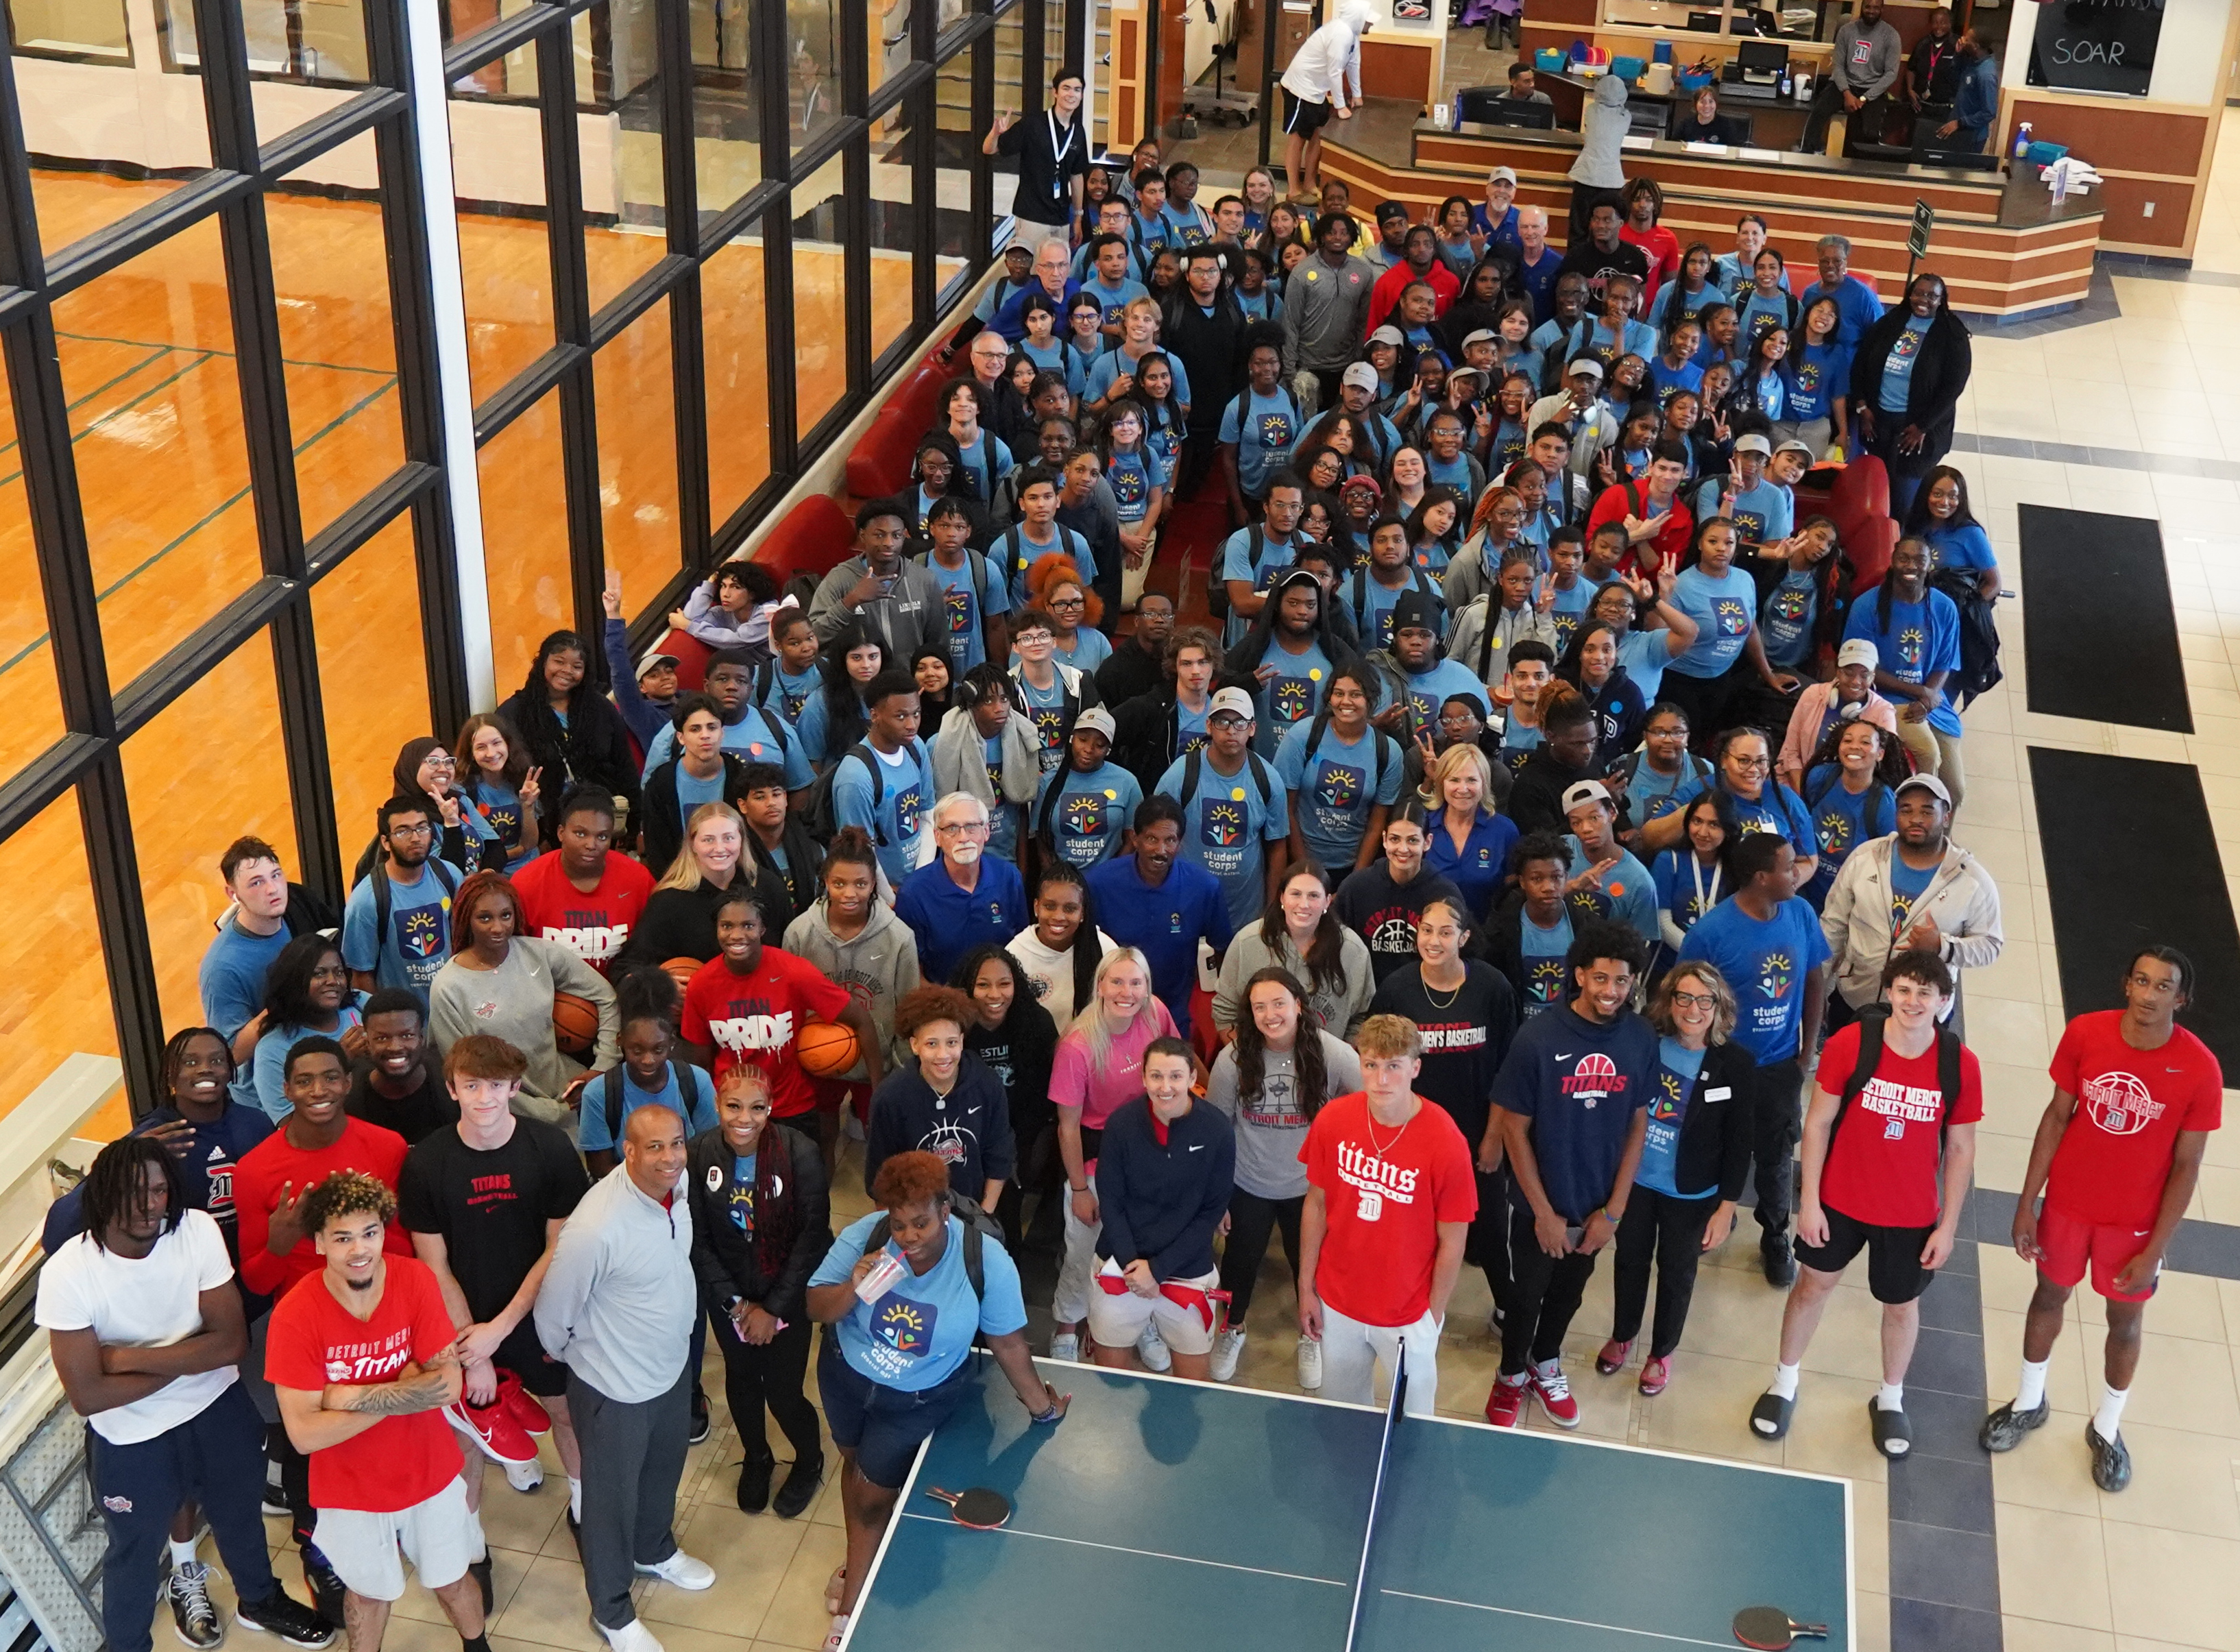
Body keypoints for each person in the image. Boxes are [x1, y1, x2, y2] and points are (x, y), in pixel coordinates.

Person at [38, 1136, 334, 1652]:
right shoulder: (68, 1272)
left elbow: (231, 1343)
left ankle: (258, 1599)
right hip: (130, 1436)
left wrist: (126, 1358)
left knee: (240, 1514)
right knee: (132, 1550)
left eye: (158, 1190)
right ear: (103, 1195)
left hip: (216, 1410)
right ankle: (127, 1646)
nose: (150, 1205)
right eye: (134, 1192)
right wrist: (190, 1355)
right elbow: (88, 1395)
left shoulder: (194, 1229)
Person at [806, 1152, 1065, 1651]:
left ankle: (848, 1616)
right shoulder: (867, 1236)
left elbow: (1008, 1343)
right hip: (845, 1378)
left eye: (921, 1223)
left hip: (916, 1400)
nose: (909, 1237)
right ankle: (862, 1555)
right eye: (898, 1224)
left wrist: (1042, 1408)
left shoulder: (984, 1259)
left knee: (870, 1497)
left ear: (945, 1209)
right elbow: (817, 1305)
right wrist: (853, 1288)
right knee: (857, 1471)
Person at [1984, 947, 2221, 1492]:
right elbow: (2055, 1117)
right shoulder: (2086, 1034)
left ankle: (2108, 1430)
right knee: (2048, 1297)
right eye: (2141, 980)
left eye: (2163, 987)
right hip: (2067, 1207)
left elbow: (2187, 1167)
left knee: (2125, 1324)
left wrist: (2156, 1248)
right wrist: (2027, 1202)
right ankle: (2028, 1402)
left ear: (2181, 999)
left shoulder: (2199, 1067)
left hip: (2134, 1225)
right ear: (2126, 985)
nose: (2149, 994)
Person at [1749, 951, 1980, 1459]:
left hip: (1912, 1213)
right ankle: (1784, 1381)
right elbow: (1817, 1124)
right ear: (1889, 992)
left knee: (1901, 1306)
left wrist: (1948, 1227)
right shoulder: (1853, 1043)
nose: (1912, 1001)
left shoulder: (1958, 1064)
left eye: (1925, 993)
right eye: (1903, 990)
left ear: (1944, 1002)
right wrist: (1808, 1201)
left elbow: (1961, 1149)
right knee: (1812, 1287)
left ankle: (1891, 1397)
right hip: (1839, 1201)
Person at [265, 1170, 486, 1652]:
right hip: (349, 1489)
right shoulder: (295, 1315)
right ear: (320, 1243)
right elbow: (304, 1435)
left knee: (452, 1579)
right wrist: (401, 1387)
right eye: (343, 1238)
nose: (360, 1249)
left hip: (430, 1470)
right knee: (367, 1595)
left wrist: (345, 1396)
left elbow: (448, 1385)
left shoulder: (413, 1278)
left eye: (370, 1233)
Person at [400, 1034, 589, 1528]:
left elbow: (558, 1249)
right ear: (453, 1089)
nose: (485, 1098)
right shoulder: (426, 1163)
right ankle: (469, 1543)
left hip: (537, 1316)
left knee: (566, 1412)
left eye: (496, 1086)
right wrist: (473, 1350)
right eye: (473, 1086)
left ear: (515, 1088)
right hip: (462, 1322)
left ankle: (585, 1507)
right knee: (468, 1432)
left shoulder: (550, 1148)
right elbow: (434, 1266)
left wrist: (499, 1330)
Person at [1486, 921, 1657, 1429]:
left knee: (1570, 1291)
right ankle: (1511, 1374)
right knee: (1525, 1296)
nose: (1611, 992)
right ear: (1579, 975)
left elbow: (1637, 1123)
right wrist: (1542, 1213)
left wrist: (1614, 1211)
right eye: (1600, 979)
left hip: (1597, 1206)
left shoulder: (1641, 1036)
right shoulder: (1538, 1037)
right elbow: (1515, 1130)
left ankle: (1546, 1363)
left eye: (1622, 981)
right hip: (1541, 1205)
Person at [1296, 1014, 1475, 1411]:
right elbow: (1316, 1204)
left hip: (1407, 1312)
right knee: (1344, 1414)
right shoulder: (1333, 1120)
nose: (1380, 1079)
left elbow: (1454, 1238)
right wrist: (1306, 1288)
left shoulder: (1446, 1141)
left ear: (1415, 1067)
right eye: (1371, 1065)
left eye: (1393, 1066)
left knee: (1413, 1422)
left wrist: (1432, 1316)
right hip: (1338, 1302)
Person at [1678, 830, 1830, 1285]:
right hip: (1725, 1068)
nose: (1797, 874)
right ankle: (1713, 1219)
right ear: (1761, 877)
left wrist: (1806, 1053)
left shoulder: (1800, 914)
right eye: (1788, 867)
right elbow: (1686, 1003)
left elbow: (1815, 980)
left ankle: (1776, 1233)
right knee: (1718, 1145)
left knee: (1777, 1155)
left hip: (1781, 1066)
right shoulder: (1710, 933)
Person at [1596, 961, 1753, 1396]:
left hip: (1692, 1191)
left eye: (1705, 1001)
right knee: (1629, 1261)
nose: (1694, 1009)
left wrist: (1726, 1208)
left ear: (1719, 1008)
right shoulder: (1646, 1042)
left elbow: (1741, 1143)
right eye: (1684, 998)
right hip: (1638, 1181)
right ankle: (1624, 1334)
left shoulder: (1735, 1064)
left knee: (1677, 1271)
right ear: (1669, 1001)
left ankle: (1661, 1352)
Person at [683, 1066, 831, 1516]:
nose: (744, 1118)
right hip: (730, 1299)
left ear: (771, 1108)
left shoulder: (799, 1152)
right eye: (733, 1106)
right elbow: (697, 1238)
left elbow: (811, 1237)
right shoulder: (699, 1153)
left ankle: (809, 1460)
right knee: (742, 1380)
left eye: (757, 1107)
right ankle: (757, 1457)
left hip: (785, 1293)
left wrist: (773, 1309)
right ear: (717, 1105)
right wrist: (737, 1304)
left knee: (784, 1391)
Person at [1204, 967, 1361, 1383]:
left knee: (1308, 1268)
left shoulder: (1335, 1053)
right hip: (1249, 1183)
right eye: (1259, 1007)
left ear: (1298, 1005)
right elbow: (1219, 1131)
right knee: (1239, 1263)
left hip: (1310, 1189)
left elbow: (1365, 1110)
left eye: (1278, 1003)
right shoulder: (1232, 1059)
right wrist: (1218, 1196)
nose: (1270, 1014)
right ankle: (1232, 1328)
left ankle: (1310, 1335)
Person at [1045, 947, 1181, 1363]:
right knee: (1085, 1252)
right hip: (1097, 1162)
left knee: (1144, 1246)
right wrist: (1082, 1190)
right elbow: (1068, 1126)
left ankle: (1140, 1322)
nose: (1127, 992)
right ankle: (1067, 1323)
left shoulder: (1156, 1014)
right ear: (1100, 985)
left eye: (1136, 982)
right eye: (1117, 982)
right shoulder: (1077, 1045)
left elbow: (1177, 1073)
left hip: (1150, 1156)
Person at [1084, 1036, 1235, 1378]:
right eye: (1156, 1076)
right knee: (1107, 1384)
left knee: (1193, 1386)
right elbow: (1111, 1199)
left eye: (1175, 1077)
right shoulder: (1121, 1124)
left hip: (1187, 1267)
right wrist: (1134, 1268)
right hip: (1122, 1266)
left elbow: (1211, 1211)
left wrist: (1158, 1269)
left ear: (1193, 1078)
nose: (1165, 1087)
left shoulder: (1218, 1130)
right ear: (1143, 1078)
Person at [681, 883, 884, 1131]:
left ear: (762, 928)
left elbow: (861, 1019)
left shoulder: (793, 972)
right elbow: (700, 1062)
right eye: (727, 926)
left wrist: (878, 1093)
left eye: (748, 925)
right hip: (734, 1108)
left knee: (805, 1168)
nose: (736, 935)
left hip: (792, 1106)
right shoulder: (702, 984)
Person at [427, 869, 620, 1119]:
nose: (498, 927)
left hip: (567, 1090)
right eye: (484, 918)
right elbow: (467, 1075)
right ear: (466, 920)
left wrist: (603, 1067)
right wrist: (549, 1113)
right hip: (505, 1112)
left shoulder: (539, 953)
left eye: (506, 915)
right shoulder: (448, 988)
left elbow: (606, 997)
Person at [236, 1038, 413, 1304]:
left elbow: (406, 1253)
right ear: (287, 1090)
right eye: (304, 1081)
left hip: (383, 1302)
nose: (318, 1091)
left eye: (330, 1078)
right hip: (305, 1315)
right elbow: (258, 1284)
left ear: (347, 1084)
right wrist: (279, 1247)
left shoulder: (388, 1147)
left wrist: (358, 1222)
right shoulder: (253, 1170)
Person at [1820, 772, 2003, 1020]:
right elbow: (1833, 925)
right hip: (1855, 999)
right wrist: (1818, 985)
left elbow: (1990, 946)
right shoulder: (1865, 858)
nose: (1915, 819)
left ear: (1946, 817)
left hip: (1922, 1013)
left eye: (1927, 812)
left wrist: (1943, 946)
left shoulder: (1972, 881)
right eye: (1906, 810)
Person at [1083, 797, 1233, 1038]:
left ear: (1180, 842)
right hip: (1114, 1011)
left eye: (1170, 840)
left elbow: (1222, 950)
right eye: (1152, 839)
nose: (1161, 850)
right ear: (1135, 838)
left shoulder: (1204, 887)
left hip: (1174, 1014)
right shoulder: (1099, 883)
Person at [951, 944, 1064, 1246]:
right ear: (968, 987)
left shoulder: (1037, 1023)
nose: (995, 995)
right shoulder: (955, 1027)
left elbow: (1044, 1093)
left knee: (1007, 1213)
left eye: (1005, 984)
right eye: (983, 985)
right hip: (964, 1131)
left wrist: (1014, 1145)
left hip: (1018, 1130)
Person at [864, 985, 1016, 1208]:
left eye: (951, 1042)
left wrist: (984, 1217)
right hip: (914, 1213)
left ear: (962, 1041)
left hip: (974, 1208)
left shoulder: (988, 1084)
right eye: (931, 1044)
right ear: (915, 1045)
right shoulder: (890, 1098)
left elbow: (1000, 1154)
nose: (943, 1055)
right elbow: (881, 1174)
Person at [1845, 537, 1967, 812]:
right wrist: (1919, 693)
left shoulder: (1944, 607)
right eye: (1904, 559)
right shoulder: (1867, 605)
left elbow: (1944, 662)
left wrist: (1927, 698)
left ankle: (1940, 845)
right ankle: (1920, 822)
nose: (1911, 566)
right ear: (1893, 561)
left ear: (1929, 565)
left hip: (1930, 701)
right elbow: (1862, 668)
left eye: (1919, 560)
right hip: (1884, 698)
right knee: (1929, 752)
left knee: (1956, 791)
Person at [1154, 685, 1289, 927]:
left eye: (1240, 723)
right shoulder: (1180, 774)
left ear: (1252, 728)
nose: (1231, 731)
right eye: (1222, 722)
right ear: (1208, 726)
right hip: (1185, 909)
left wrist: (1270, 911)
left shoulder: (1268, 779)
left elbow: (1277, 846)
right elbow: (1155, 836)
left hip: (1247, 915)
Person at [495, 631, 642, 847]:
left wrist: (635, 821)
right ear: (543, 662)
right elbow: (506, 774)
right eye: (559, 661)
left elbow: (624, 765)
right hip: (545, 826)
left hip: (601, 819)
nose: (567, 671)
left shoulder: (601, 708)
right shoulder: (514, 712)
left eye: (577, 666)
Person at [202, 837, 341, 1055]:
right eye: (256, 883)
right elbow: (231, 1054)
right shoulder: (222, 968)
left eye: (276, 875)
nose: (273, 889)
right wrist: (284, 1004)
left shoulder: (300, 904)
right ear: (233, 894)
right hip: (270, 1081)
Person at [618, 801, 795, 970]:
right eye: (708, 840)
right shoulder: (668, 901)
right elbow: (631, 965)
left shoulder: (769, 887)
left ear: (742, 841)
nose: (719, 848)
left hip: (759, 995)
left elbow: (790, 954)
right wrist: (664, 983)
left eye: (728, 838)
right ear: (693, 844)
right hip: (697, 997)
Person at [1210, 860, 1375, 1040]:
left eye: (1313, 896)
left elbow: (1362, 1018)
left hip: (1329, 1063)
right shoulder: (1246, 943)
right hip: (1259, 1061)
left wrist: (1340, 1060)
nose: (1304, 904)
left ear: (1328, 901)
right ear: (1282, 898)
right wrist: (1248, 1060)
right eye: (1296, 894)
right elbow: (1225, 1012)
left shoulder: (1353, 949)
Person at [1851, 273, 1969, 518]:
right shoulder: (1891, 322)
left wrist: (1923, 427)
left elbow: (1953, 387)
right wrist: (1862, 407)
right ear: (1909, 294)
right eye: (1918, 293)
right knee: (1879, 488)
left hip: (1918, 431)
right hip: (1879, 422)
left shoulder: (1952, 334)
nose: (1923, 300)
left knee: (1904, 499)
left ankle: (1904, 543)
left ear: (1941, 300)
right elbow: (1861, 363)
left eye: (1932, 296)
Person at [512, 785, 657, 978]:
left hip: (622, 991)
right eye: (580, 834)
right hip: (550, 995)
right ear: (561, 833)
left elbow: (655, 947)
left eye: (602, 836)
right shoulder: (526, 882)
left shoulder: (638, 879)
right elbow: (513, 957)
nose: (591, 845)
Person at [1642, 727, 1817, 884]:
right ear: (1724, 760)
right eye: (1744, 760)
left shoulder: (1785, 799)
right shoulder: (1700, 789)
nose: (1754, 769)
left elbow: (1808, 860)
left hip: (1767, 900)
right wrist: (1696, 810)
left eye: (1761, 761)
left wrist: (1781, 886)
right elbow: (1649, 838)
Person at [1276, 664, 1402, 873]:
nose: (1345, 702)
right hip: (1299, 859)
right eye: (1338, 693)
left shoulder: (1389, 751)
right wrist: (1305, 869)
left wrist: (1356, 879)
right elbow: (1285, 808)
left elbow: (1376, 824)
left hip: (1353, 866)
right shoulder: (1304, 735)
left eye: (1356, 695)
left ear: (1371, 700)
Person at [896, 791, 1032, 984]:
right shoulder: (914, 893)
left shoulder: (1009, 877)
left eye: (971, 827)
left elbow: (1023, 949)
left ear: (986, 832)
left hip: (1001, 998)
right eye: (952, 828)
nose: (963, 837)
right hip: (946, 1004)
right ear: (937, 837)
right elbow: (912, 974)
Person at [341, 797, 466, 1004]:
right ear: (385, 842)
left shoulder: (450, 875)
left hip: (452, 1009)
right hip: (404, 1024)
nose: (415, 838)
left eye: (422, 828)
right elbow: (362, 976)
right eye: (403, 831)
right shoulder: (365, 901)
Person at [578, 1003, 720, 1177]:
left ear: (672, 1043)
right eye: (637, 1051)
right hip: (626, 1192)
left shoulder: (697, 1081)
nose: (648, 1060)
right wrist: (657, 1182)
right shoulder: (598, 1093)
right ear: (620, 1041)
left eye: (658, 1049)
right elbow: (600, 1168)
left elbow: (707, 1153)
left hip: (686, 1188)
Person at [1333, 809, 1468, 986]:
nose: (1403, 849)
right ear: (1384, 840)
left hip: (1422, 993)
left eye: (1413, 840)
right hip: (1366, 989)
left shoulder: (1445, 893)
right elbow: (1334, 942)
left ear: (1427, 842)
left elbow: (1458, 954)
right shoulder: (1356, 887)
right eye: (1395, 839)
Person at [244, 937, 367, 1123]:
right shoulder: (273, 1049)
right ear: (295, 980)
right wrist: (340, 1060)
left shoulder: (361, 1005)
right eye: (319, 974)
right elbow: (288, 1124)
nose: (333, 981)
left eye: (339, 972)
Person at [831, 670, 936, 890]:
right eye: (900, 716)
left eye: (916, 714)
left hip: (918, 879)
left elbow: (927, 814)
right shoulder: (855, 777)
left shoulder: (916, 747)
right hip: (882, 891)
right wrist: (891, 899)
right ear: (874, 715)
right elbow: (860, 852)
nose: (911, 725)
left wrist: (920, 881)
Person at [807, 500, 945, 663]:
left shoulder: (924, 579)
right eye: (879, 535)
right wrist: (849, 603)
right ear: (863, 535)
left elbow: (939, 646)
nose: (889, 543)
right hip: (859, 685)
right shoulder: (839, 578)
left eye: (896, 535)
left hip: (909, 685)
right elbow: (813, 639)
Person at [1278, 1, 1374, 203]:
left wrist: (1357, 95)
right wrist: (1340, 106)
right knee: (1298, 139)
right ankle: (1294, 189)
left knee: (1317, 136)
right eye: (1368, 21)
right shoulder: (1340, 34)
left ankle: (1310, 184)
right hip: (1300, 89)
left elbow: (1353, 64)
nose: (1371, 25)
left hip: (1316, 92)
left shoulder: (1351, 35)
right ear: (1358, 19)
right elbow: (1334, 72)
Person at [1282, 210, 1377, 409]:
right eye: (1332, 233)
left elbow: (1363, 320)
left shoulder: (1363, 272)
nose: (1338, 238)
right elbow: (1291, 322)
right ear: (1322, 237)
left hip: (1347, 366)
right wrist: (1290, 370)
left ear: (1352, 237)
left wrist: (1359, 358)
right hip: (1308, 366)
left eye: (1344, 233)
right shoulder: (1302, 271)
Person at [1031, 704, 1142, 872]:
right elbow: (1041, 838)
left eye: (1099, 745)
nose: (1088, 749)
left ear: (1108, 750)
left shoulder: (1127, 782)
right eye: (1082, 740)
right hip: (1062, 883)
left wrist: (1112, 873)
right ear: (1071, 739)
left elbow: (1133, 838)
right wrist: (1055, 877)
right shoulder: (1048, 782)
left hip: (1109, 881)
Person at [1778, 639, 1899, 792]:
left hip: (1854, 794)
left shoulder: (1883, 712)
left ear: (1873, 677)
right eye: (1848, 673)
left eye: (1864, 675)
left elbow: (1884, 767)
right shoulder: (1813, 695)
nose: (1856, 681)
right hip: (1799, 785)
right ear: (1837, 671)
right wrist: (1804, 796)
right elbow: (1790, 752)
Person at [984, 67, 1090, 242]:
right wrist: (995, 133)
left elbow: (1076, 175)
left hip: (1061, 217)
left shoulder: (1078, 131)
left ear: (1082, 96)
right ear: (1055, 92)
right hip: (1032, 215)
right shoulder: (1033, 124)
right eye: (1066, 88)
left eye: (1077, 90)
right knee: (1033, 268)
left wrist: (1078, 217)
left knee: (1058, 268)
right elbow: (989, 149)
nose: (1072, 94)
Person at [1421, 744, 1518, 919]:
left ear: (1484, 784)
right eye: (1454, 780)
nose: (1463, 789)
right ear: (1441, 783)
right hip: (1433, 937)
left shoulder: (1505, 831)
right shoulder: (1423, 826)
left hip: (1488, 937)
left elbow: (1512, 894)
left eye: (1472, 780)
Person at [1563, 778, 1659, 950]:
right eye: (1576, 822)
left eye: (1594, 818)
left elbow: (1640, 948)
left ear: (1612, 813)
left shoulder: (1639, 881)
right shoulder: (1561, 851)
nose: (1586, 828)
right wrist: (1572, 886)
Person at [1800, 0, 1902, 157]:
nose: (1871, 11)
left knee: (1870, 133)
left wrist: (1864, 98)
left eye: (1876, 8)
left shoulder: (1891, 36)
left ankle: (1860, 168)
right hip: (1844, 84)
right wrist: (1847, 93)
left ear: (1882, 9)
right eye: (1868, 7)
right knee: (1818, 114)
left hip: (1872, 89)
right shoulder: (1846, 31)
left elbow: (1891, 74)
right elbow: (1838, 66)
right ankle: (1807, 154)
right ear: (1862, 7)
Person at [1905, 464, 2001, 596]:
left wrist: (1969, 611)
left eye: (1952, 496)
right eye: (1937, 494)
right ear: (1925, 495)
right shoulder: (1914, 526)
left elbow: (1994, 584)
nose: (1944, 502)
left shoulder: (1971, 533)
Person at [1567, 76, 1631, 247]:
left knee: (1579, 229)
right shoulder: (1625, 116)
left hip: (1586, 175)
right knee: (1608, 230)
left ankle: (1575, 267)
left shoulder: (1591, 110)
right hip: (1612, 180)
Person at [1095, 589, 1174, 706]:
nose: (1159, 620)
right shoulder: (1114, 669)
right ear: (1137, 621)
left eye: (1166, 615)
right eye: (1150, 614)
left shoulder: (1179, 661)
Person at [1939, 28, 1999, 153]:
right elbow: (1954, 80)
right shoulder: (1971, 60)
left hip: (1972, 138)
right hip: (1957, 128)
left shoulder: (1986, 75)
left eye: (1967, 39)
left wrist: (1960, 123)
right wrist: (1958, 54)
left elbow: (1989, 112)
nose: (1962, 40)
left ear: (1975, 46)